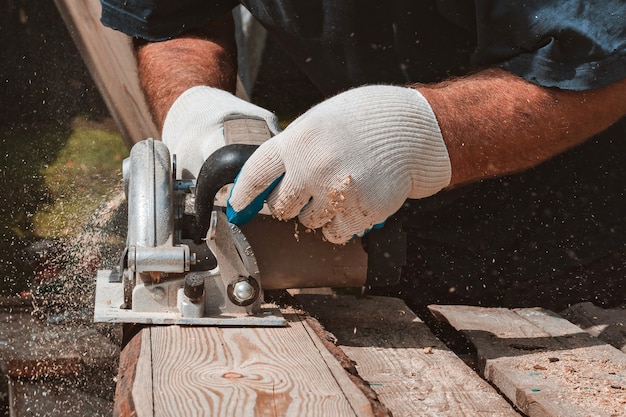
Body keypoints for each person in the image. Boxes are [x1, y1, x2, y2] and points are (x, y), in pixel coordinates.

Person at [100, 1, 626, 307]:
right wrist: (197, 105)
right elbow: (176, 18)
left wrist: (420, 131)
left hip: (581, 236)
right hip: (399, 251)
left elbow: (605, 60)